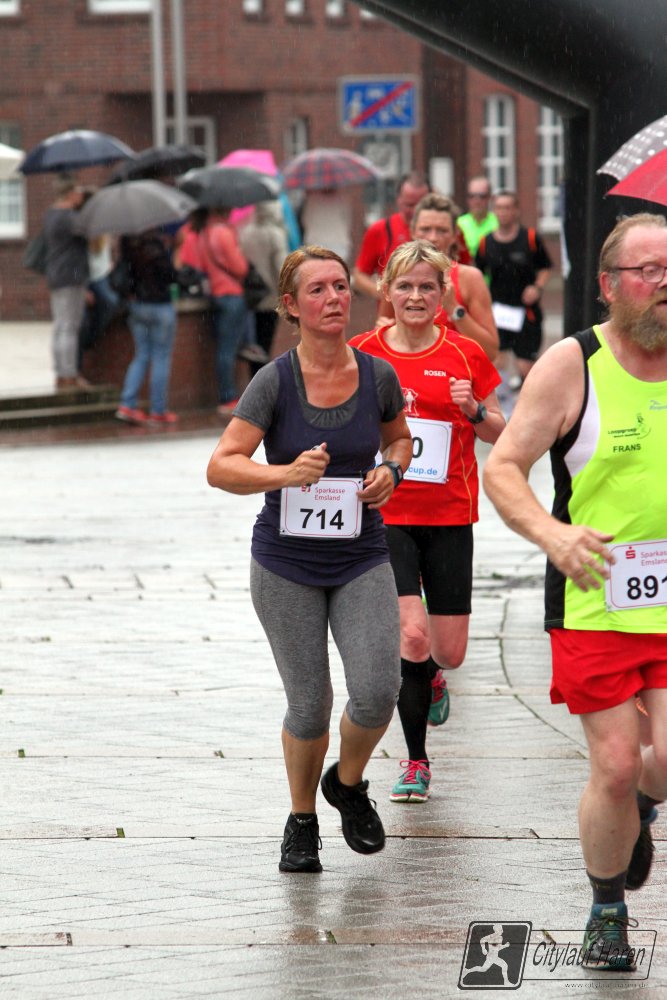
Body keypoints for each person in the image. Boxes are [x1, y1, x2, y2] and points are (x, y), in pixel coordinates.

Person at [483, 212, 667, 971]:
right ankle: (606, 912)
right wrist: (551, 536)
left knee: (662, 761)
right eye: (648, 271)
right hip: (596, 595)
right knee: (615, 765)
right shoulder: (572, 364)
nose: (662, 284)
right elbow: (503, 467)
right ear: (607, 285)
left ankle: (640, 808)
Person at [206, 245, 413, 873]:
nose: (334, 299)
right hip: (285, 565)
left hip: (360, 555)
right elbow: (221, 466)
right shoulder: (274, 381)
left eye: (341, 286)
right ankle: (301, 822)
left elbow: (399, 439)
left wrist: (391, 471)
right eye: (318, 290)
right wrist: (285, 474)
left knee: (378, 690)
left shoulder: (377, 376)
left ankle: (346, 784)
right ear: (291, 306)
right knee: (310, 701)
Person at [349, 240, 504, 802]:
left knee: (447, 650)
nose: (415, 296)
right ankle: (416, 761)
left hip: (449, 514)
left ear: (442, 295)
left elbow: (501, 432)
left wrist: (474, 410)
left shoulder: (464, 354)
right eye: (405, 286)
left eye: (426, 287)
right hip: (385, 514)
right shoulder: (362, 354)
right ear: (387, 292)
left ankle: (436, 677)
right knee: (411, 637)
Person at [475, 191, 552, 392]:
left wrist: (537, 287)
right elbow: (477, 274)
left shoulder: (530, 238)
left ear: (516, 210)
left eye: (508, 207)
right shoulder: (485, 243)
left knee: (526, 368)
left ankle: (527, 400)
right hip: (498, 311)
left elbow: (545, 267)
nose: (503, 212)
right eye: (499, 208)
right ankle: (502, 404)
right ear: (494, 211)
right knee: (497, 363)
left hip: (526, 311)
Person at [407, 192, 498, 360]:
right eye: (425, 229)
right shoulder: (398, 276)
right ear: (413, 231)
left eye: (442, 230)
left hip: (457, 374)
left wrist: (455, 310)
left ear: (455, 234)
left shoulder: (469, 278)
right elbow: (384, 336)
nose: (433, 237)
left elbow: (490, 351)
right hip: (411, 374)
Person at [114, 228, 179, 426]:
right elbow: (171, 276)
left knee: (141, 355)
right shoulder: (156, 247)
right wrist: (171, 251)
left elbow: (123, 277)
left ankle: (127, 404)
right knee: (161, 357)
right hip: (160, 307)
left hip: (138, 306)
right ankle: (158, 410)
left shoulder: (128, 243)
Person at [352, 171, 430, 316]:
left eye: (422, 205)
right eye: (410, 205)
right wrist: (387, 292)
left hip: (436, 319)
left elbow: (461, 271)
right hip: (393, 318)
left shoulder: (446, 230)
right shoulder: (381, 230)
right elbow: (359, 276)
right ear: (398, 200)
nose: (416, 211)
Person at [196, 206, 250, 416]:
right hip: (231, 293)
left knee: (223, 347)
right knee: (229, 348)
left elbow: (201, 265)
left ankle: (227, 394)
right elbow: (240, 268)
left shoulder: (203, 233)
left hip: (215, 294)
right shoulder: (224, 233)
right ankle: (228, 396)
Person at [42, 172, 90, 390]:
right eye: (78, 190)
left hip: (56, 275)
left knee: (61, 325)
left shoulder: (51, 215)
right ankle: (69, 374)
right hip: (71, 276)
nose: (81, 194)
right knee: (70, 326)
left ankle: (61, 372)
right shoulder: (70, 217)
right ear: (70, 193)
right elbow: (90, 233)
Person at [239, 200, 289, 359]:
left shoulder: (245, 233)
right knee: (266, 341)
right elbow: (281, 268)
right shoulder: (275, 234)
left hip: (250, 294)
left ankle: (254, 371)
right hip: (270, 295)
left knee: (253, 345)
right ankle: (262, 372)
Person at [456, 175, 498, 259]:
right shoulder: (458, 224)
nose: (477, 201)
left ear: (490, 198)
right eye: (472, 196)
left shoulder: (499, 223)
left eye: (482, 196)